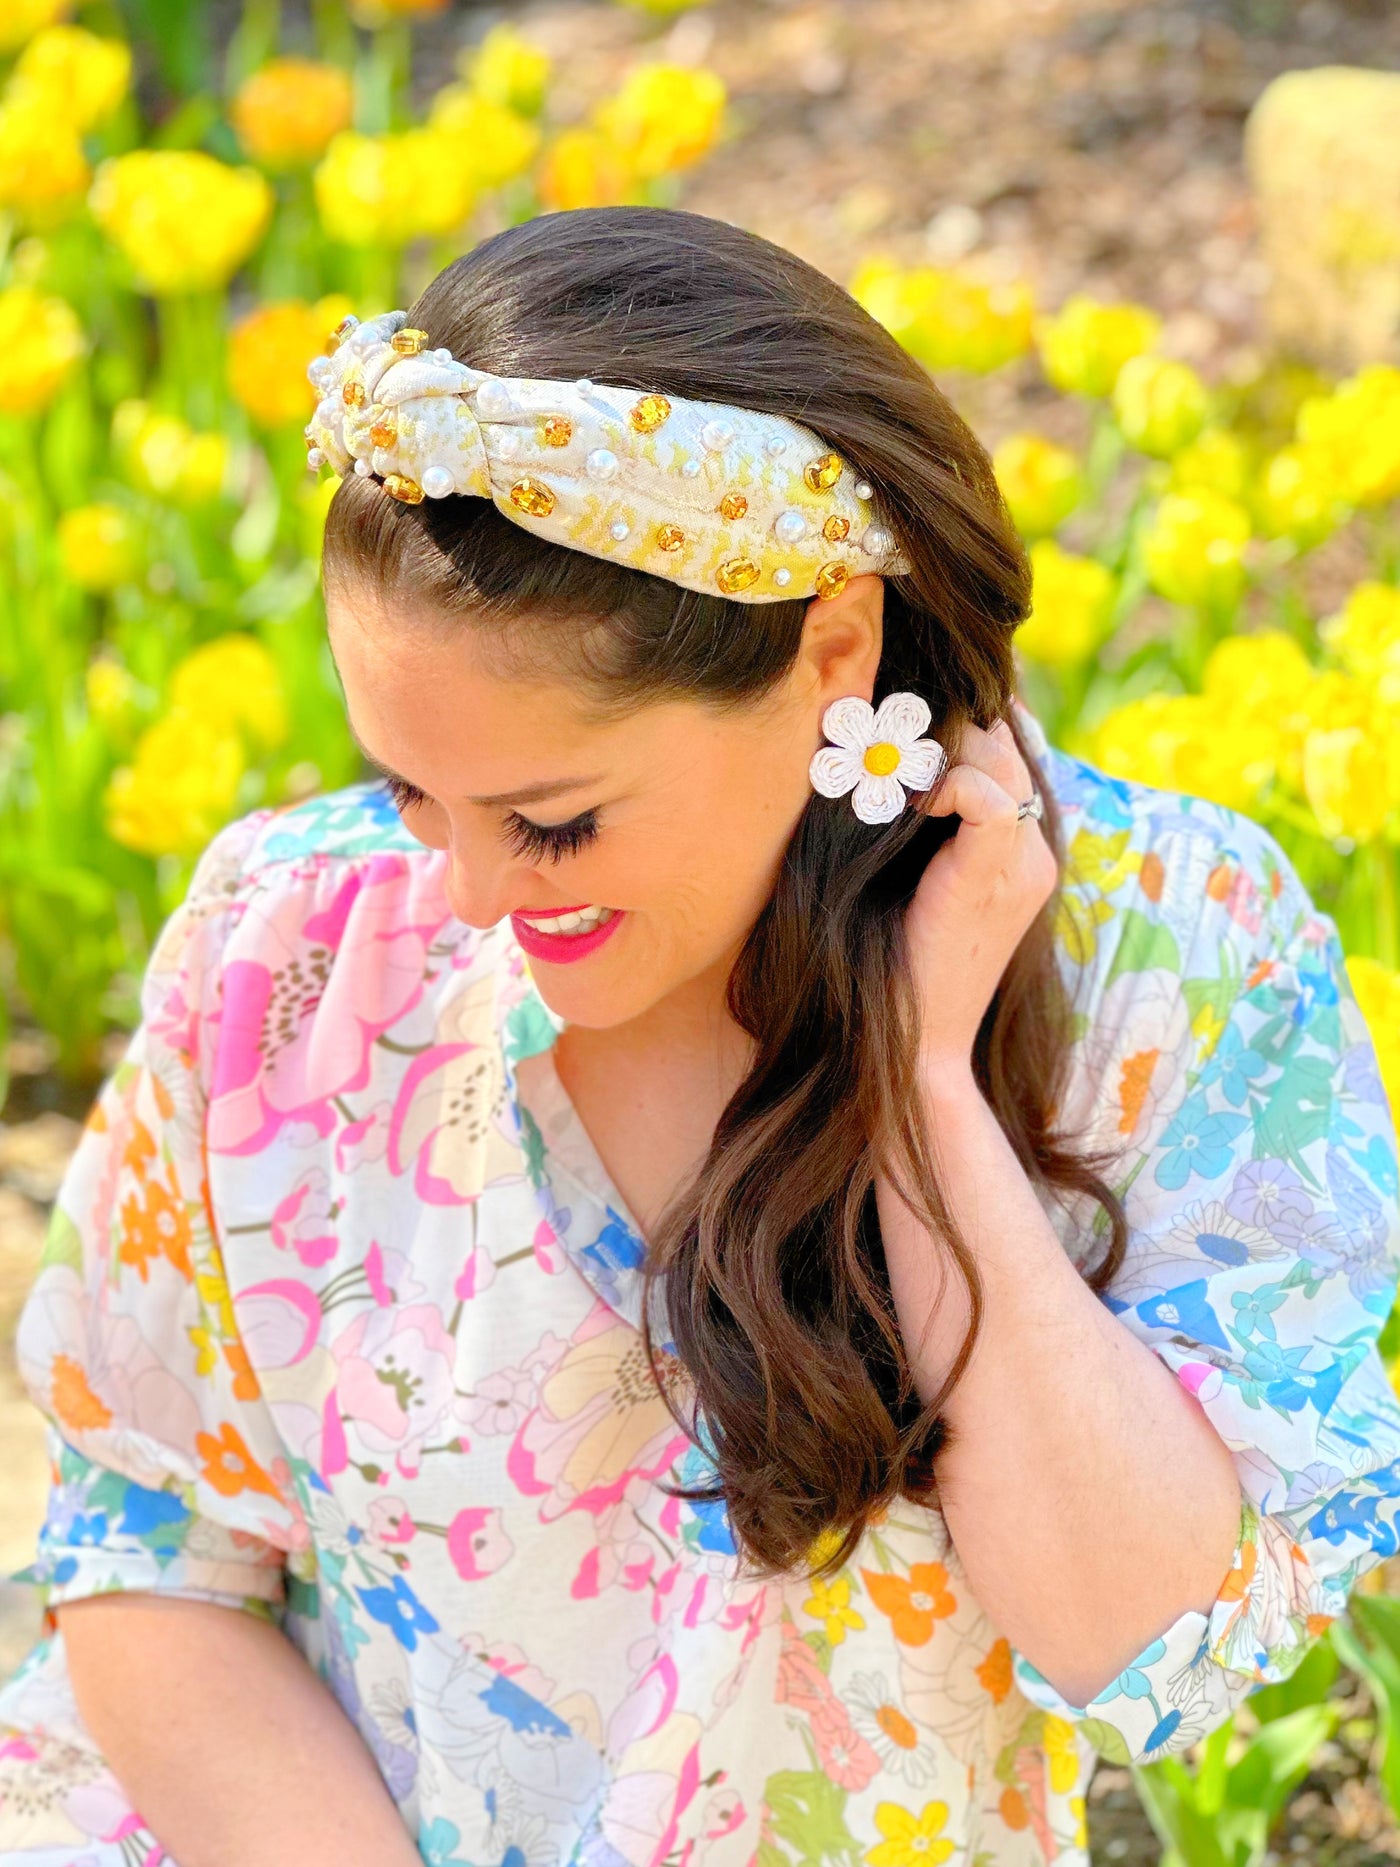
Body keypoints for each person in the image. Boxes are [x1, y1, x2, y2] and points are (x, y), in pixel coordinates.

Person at [1, 204, 1398, 1867]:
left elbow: (1140, 1638)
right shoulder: (287, 950)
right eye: (409, 791)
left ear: (834, 651)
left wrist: (923, 1087)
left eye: (553, 821)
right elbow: (152, 1554)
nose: (458, 894)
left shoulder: (1176, 960)